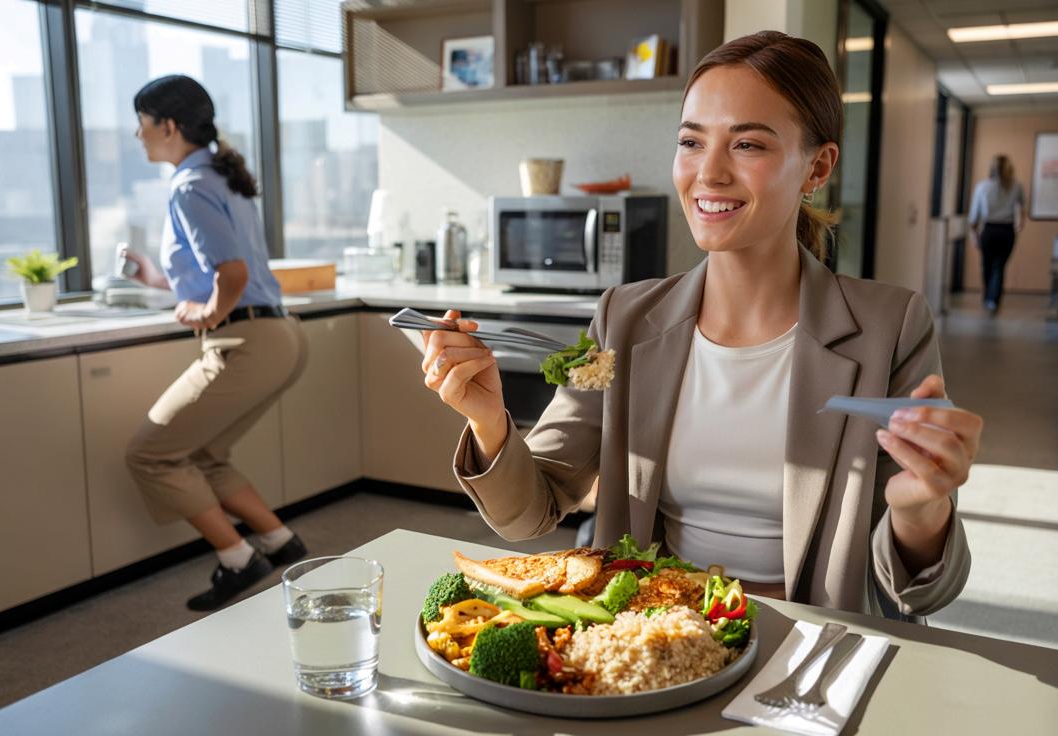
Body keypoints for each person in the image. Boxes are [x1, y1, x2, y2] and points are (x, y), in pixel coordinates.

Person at [417, 32, 983, 618]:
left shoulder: (890, 325)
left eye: (748, 145)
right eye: (691, 141)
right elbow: (529, 511)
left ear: (818, 166)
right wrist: (488, 422)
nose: (708, 174)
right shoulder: (623, 320)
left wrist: (921, 509)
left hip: (808, 646)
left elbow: (922, 593)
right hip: (655, 635)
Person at [122, 75, 309, 611]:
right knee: (204, 454)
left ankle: (237, 558)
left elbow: (230, 271)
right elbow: (222, 270)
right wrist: (159, 281)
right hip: (278, 333)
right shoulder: (216, 177)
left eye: (142, 124)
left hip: (244, 339)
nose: (138, 136)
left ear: (168, 126)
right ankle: (279, 541)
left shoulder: (189, 185)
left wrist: (208, 311)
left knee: (150, 454)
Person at [968, 154, 1026, 314]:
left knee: (987, 265)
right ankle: (994, 299)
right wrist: (1020, 224)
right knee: (999, 266)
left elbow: (974, 215)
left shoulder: (982, 187)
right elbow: (1022, 208)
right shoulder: (1016, 186)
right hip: (1007, 231)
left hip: (989, 230)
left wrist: (974, 235)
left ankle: (988, 297)